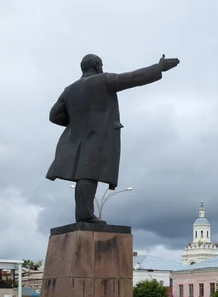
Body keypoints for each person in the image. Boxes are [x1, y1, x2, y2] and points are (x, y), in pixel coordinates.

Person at [46, 53, 179, 223]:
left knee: (84, 175)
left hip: (77, 138)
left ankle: (83, 214)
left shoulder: (69, 89)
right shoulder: (103, 80)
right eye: (100, 64)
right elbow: (132, 78)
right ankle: (85, 215)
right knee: (88, 175)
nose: (102, 67)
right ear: (96, 64)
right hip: (98, 136)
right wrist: (158, 67)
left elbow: (54, 115)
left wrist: (76, 124)